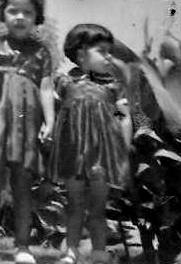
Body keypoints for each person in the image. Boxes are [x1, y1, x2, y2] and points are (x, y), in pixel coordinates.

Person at [0, 0, 55, 264]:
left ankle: (22, 245)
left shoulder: (41, 51)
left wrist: (50, 121)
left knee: (22, 183)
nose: (19, 17)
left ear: (36, 17)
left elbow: (45, 87)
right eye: (13, 11)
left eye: (27, 13)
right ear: (2, 14)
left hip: (27, 122)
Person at [48, 24, 132, 264]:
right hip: (73, 154)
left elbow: (123, 116)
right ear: (82, 54)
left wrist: (123, 151)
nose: (109, 57)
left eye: (110, 52)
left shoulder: (112, 86)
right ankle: (71, 251)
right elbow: (55, 113)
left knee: (97, 207)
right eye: (103, 51)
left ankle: (99, 251)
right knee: (74, 204)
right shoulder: (64, 82)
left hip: (102, 156)